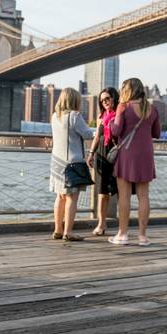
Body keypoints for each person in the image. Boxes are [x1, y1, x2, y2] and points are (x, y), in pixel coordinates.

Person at [108, 77, 161, 247]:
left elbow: (116, 131)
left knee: (124, 197)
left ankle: (122, 234)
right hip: (146, 155)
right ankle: (142, 237)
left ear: (127, 90)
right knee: (143, 196)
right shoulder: (152, 109)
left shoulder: (123, 107)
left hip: (127, 155)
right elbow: (157, 133)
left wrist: (111, 121)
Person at [48, 88, 95, 241]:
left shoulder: (55, 116)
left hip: (56, 162)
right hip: (72, 163)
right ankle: (68, 232)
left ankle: (58, 229)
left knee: (60, 197)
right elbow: (88, 134)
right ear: (74, 101)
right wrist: (99, 129)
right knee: (71, 198)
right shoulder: (74, 116)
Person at [87, 87, 119, 236]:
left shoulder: (120, 114)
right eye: (102, 100)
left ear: (114, 97)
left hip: (118, 154)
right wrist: (91, 153)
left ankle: (122, 225)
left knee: (120, 191)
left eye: (107, 98)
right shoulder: (101, 116)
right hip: (102, 154)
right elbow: (97, 136)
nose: (104, 102)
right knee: (102, 191)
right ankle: (101, 223)